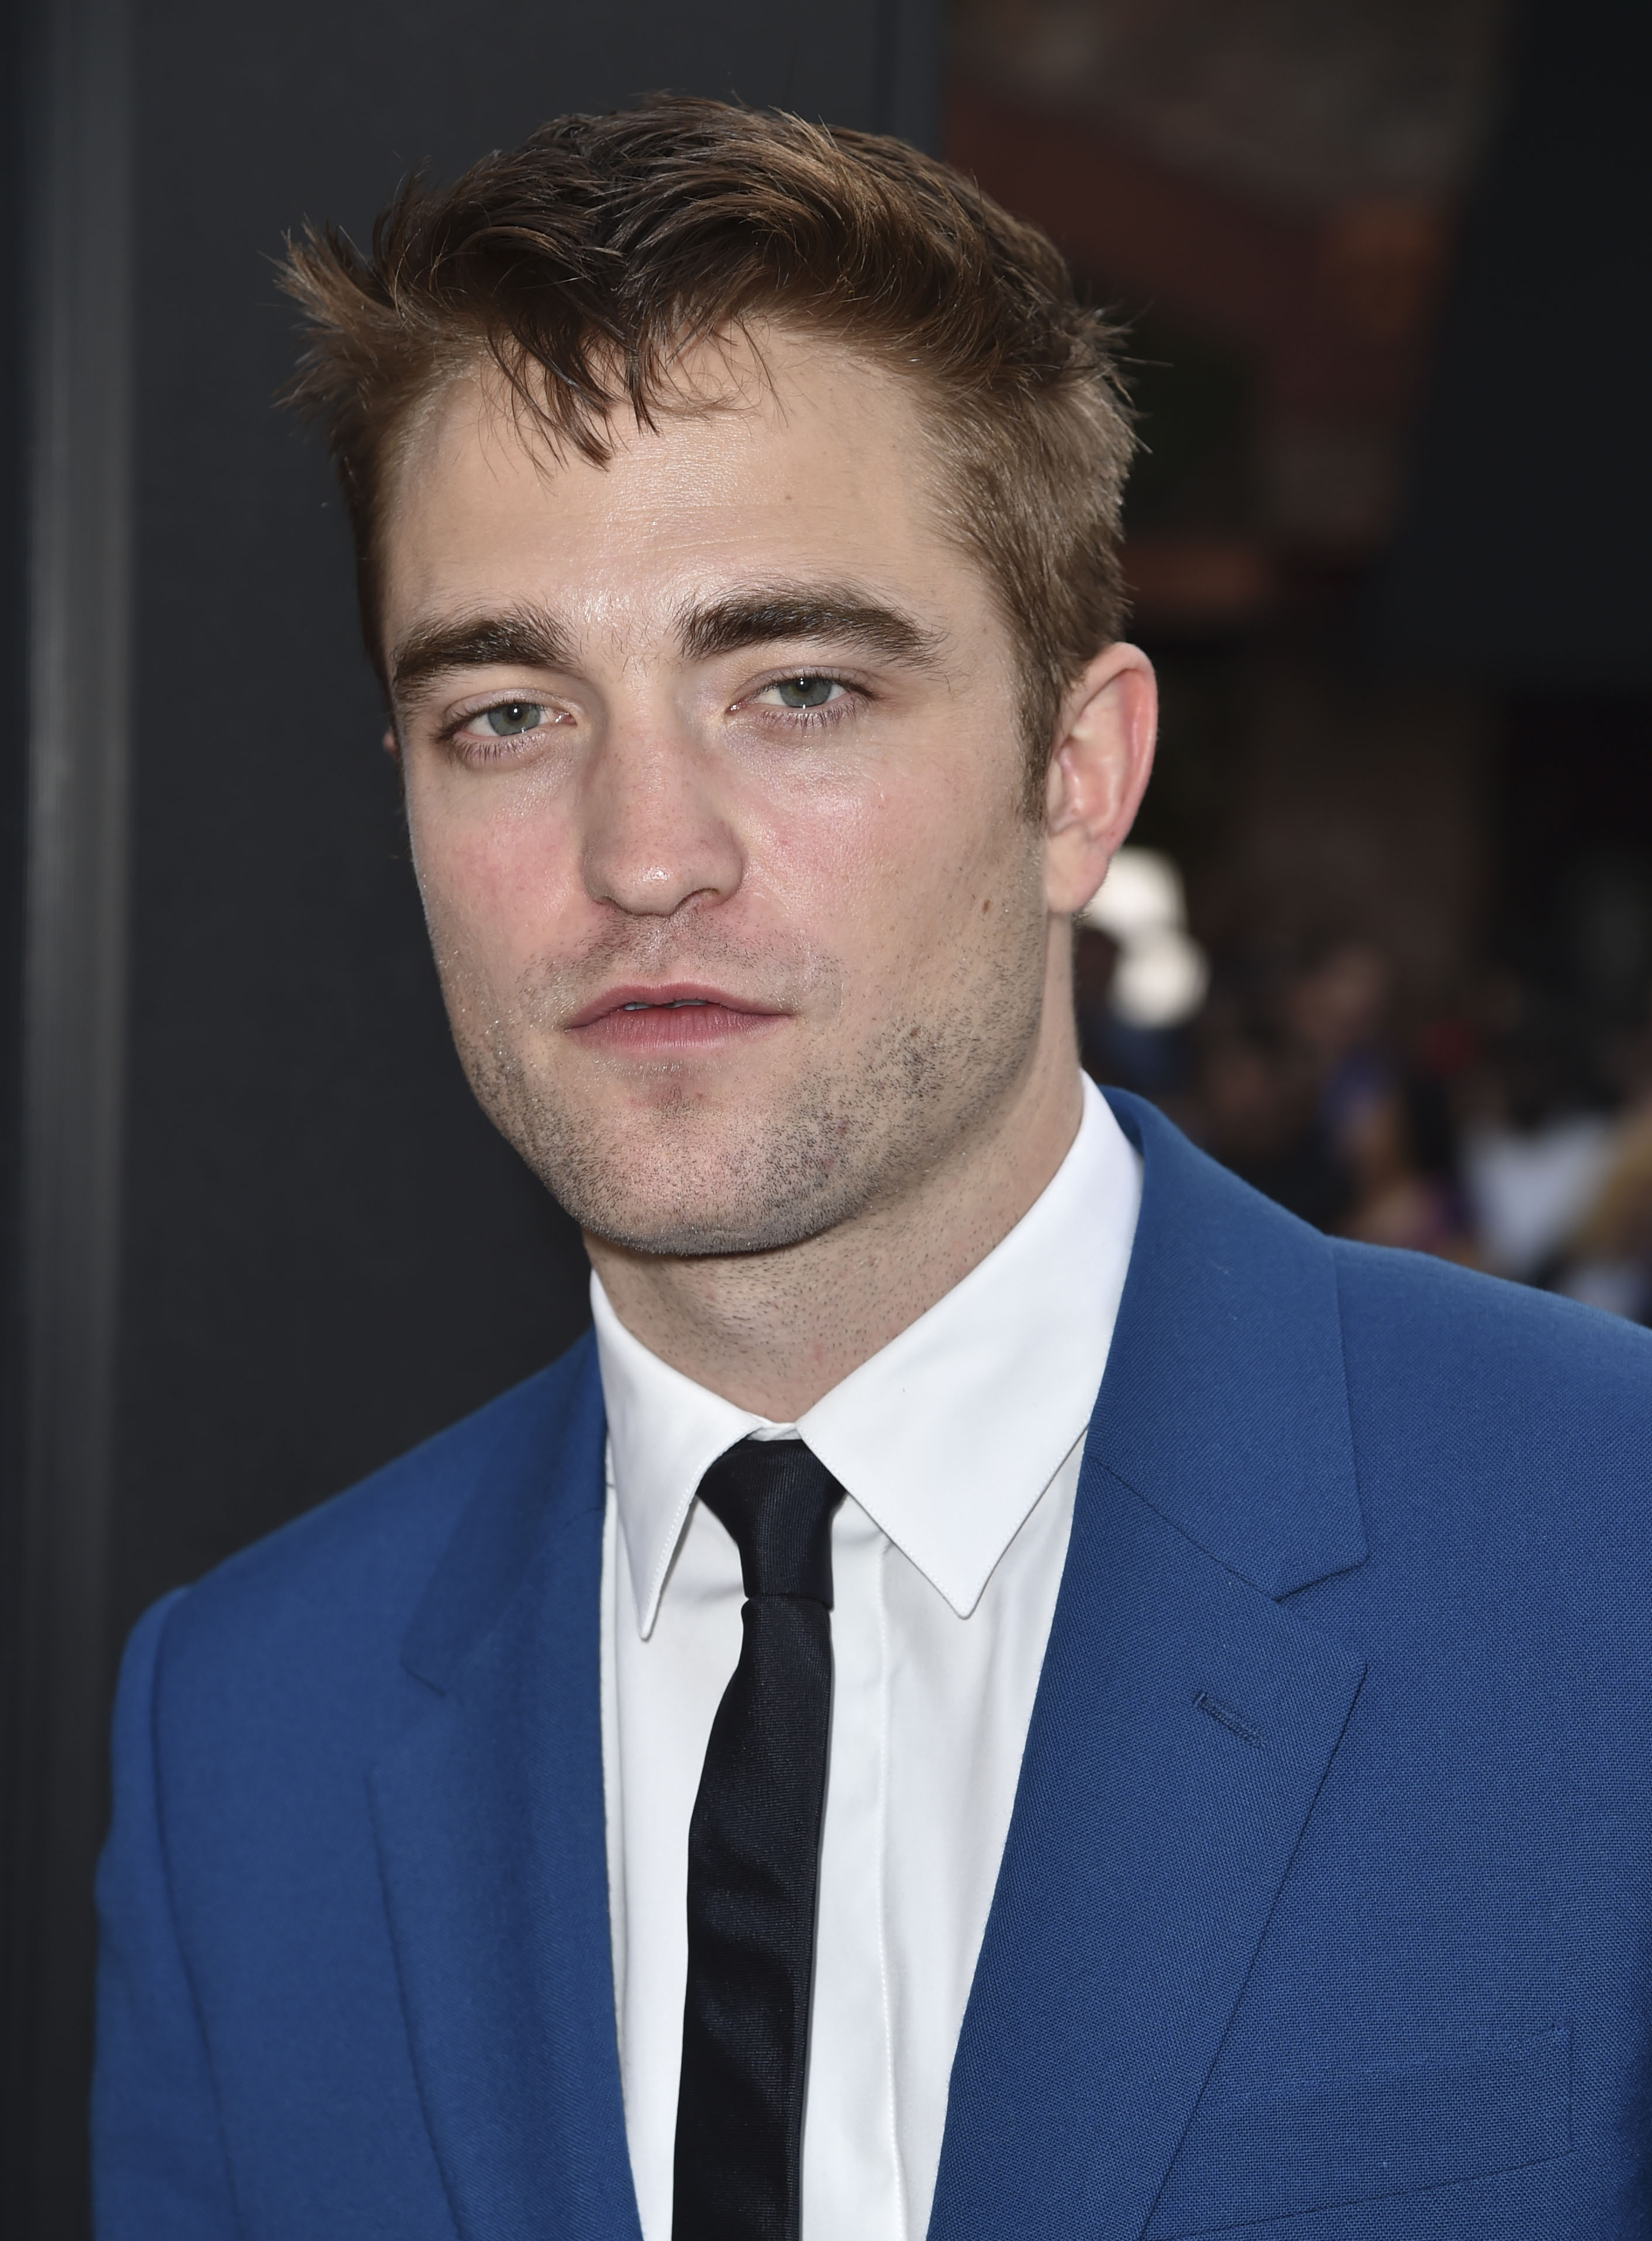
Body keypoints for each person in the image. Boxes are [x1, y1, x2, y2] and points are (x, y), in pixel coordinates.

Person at [92, 99, 1652, 2241]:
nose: (643, 855)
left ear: (1075, 777)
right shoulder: (243, 1730)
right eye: (508, 715)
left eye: (798, 688)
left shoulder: (1604, 1554)